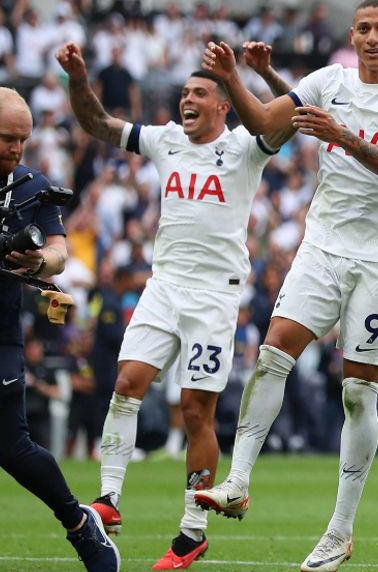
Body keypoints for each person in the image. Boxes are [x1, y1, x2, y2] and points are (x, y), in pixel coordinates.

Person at [194, 0, 378, 572]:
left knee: (357, 392)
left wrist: (340, 134)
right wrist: (234, 77)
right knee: (274, 349)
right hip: (324, 245)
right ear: (351, 36)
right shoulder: (328, 80)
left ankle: (340, 531)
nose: (373, 37)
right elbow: (265, 125)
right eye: (363, 29)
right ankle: (237, 481)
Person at [57, 40, 294, 570]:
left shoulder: (245, 147)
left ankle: (192, 532)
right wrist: (77, 76)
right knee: (126, 385)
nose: (186, 100)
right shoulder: (164, 140)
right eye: (183, 93)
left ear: (222, 105)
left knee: (195, 411)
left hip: (214, 296)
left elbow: (290, 118)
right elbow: (96, 123)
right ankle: (110, 499)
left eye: (198, 93)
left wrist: (242, 75)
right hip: (164, 286)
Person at [0, 86, 119, 571]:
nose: (15, 149)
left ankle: (79, 523)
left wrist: (37, 260)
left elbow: (59, 252)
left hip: (2, 330)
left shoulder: (32, 185)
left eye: (23, 140)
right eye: (6, 138)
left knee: (13, 446)